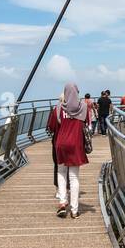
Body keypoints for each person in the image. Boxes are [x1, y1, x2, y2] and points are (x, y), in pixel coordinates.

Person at [48, 82, 90, 219]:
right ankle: (74, 210)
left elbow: (52, 127)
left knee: (61, 172)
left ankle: (62, 202)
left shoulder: (59, 108)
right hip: (76, 144)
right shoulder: (83, 107)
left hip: (61, 144)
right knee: (74, 177)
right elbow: (87, 124)